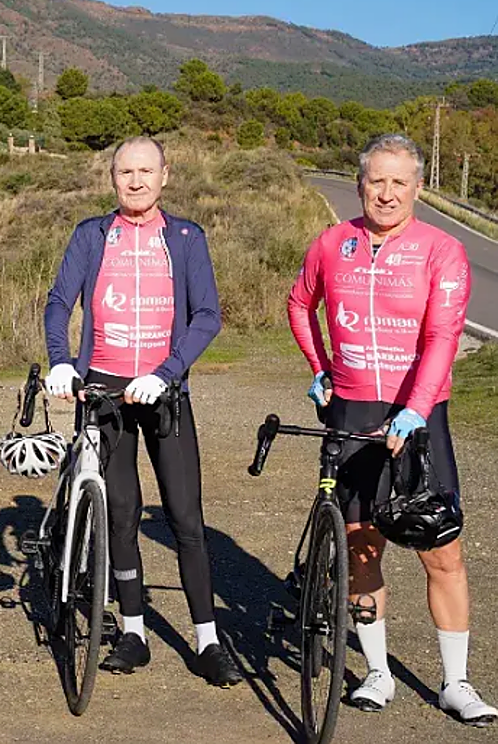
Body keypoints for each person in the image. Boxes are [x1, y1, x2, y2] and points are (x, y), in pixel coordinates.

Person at [288, 133, 495, 727]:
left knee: (443, 553)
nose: (386, 193)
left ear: (418, 188)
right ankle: (378, 672)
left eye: (398, 182)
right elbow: (300, 303)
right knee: (362, 547)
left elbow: (442, 337)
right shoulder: (333, 243)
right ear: (360, 184)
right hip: (351, 411)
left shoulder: (443, 250)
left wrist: (415, 409)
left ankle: (456, 682)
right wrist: (320, 366)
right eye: (376, 181)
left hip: (419, 415)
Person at [43, 136, 241, 688]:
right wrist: (61, 361)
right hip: (103, 392)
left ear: (165, 175)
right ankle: (134, 632)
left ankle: (207, 640)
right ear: (112, 178)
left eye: (145, 171)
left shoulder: (184, 237)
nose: (135, 181)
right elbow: (60, 302)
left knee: (185, 519)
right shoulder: (91, 235)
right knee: (122, 515)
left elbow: (207, 316)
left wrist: (167, 371)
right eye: (125, 172)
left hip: (164, 393)